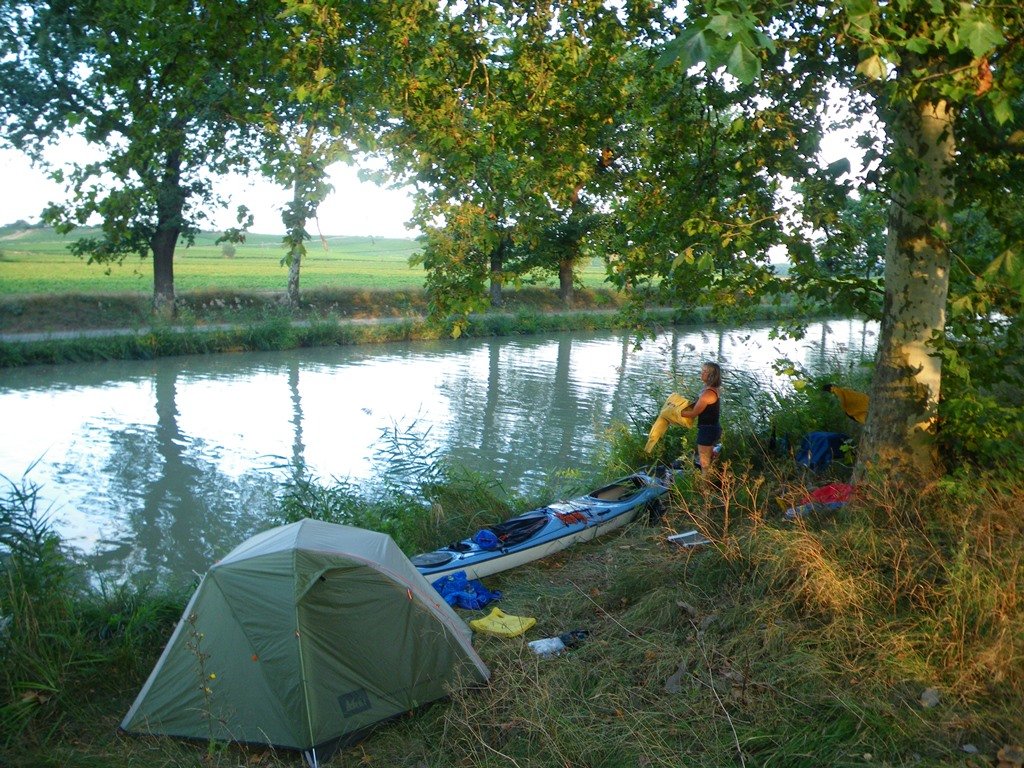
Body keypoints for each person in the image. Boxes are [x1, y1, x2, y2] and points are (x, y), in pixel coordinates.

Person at [677, 361, 722, 477]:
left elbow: (694, 413)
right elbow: (697, 405)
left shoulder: (708, 393)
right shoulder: (710, 388)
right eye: (702, 370)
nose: (701, 373)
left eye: (705, 372)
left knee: (704, 464)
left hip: (708, 430)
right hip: (712, 428)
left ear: (712, 375)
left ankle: (704, 489)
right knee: (707, 460)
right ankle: (712, 483)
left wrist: (676, 413)